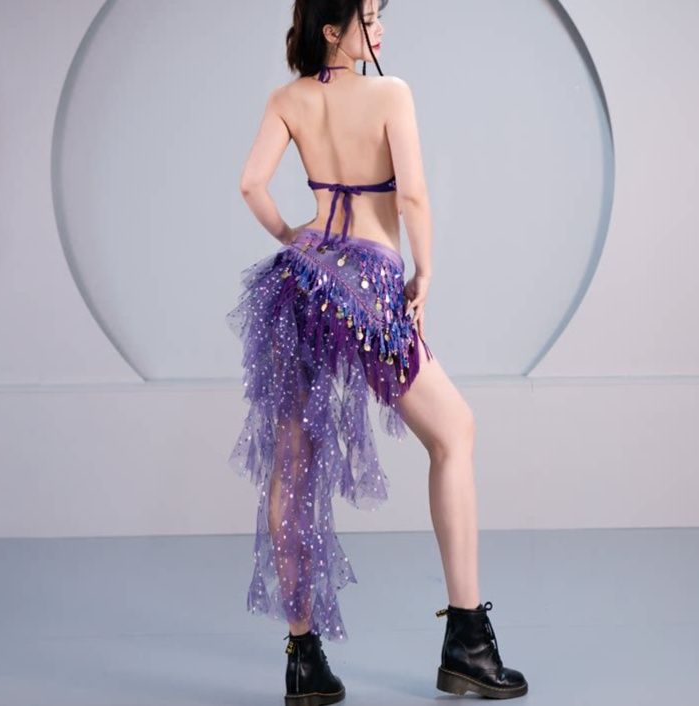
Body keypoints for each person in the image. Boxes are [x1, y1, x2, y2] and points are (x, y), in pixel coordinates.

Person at [226, 0, 528, 703]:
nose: (380, 26)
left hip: (302, 283)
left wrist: (292, 239)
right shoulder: (392, 92)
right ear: (333, 29)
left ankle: (303, 659)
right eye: (367, 15)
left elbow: (250, 184)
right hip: (368, 286)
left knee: (293, 465)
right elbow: (413, 197)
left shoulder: (287, 100)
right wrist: (425, 273)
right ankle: (467, 643)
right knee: (454, 433)